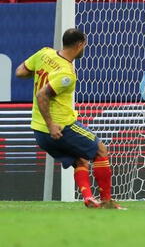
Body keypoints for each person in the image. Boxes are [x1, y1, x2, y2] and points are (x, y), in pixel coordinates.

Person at [15, 28, 125, 209]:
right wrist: (51, 124)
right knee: (100, 150)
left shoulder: (44, 53)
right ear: (80, 44)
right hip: (60, 127)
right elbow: (42, 95)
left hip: (39, 131)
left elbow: (20, 72)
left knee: (80, 160)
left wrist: (41, 74)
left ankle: (89, 198)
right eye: (85, 45)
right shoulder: (67, 73)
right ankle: (107, 201)